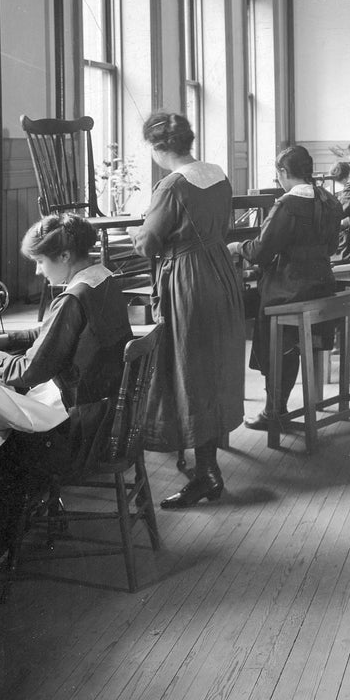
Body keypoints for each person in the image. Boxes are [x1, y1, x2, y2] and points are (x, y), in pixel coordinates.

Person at [0, 213, 134, 545]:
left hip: (81, 435)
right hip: (108, 417)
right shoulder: (102, 280)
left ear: (64, 256)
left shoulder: (73, 298)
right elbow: (46, 333)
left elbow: (26, 372)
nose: (37, 270)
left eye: (40, 261)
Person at [135, 111, 246, 509]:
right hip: (220, 273)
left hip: (189, 281)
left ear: (158, 147)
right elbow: (224, 227)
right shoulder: (217, 174)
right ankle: (206, 465)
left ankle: (206, 475)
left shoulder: (170, 185)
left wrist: (141, 235)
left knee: (189, 370)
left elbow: (149, 243)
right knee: (211, 369)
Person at [230, 145, 343, 429]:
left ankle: (273, 410)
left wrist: (236, 246)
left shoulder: (287, 205)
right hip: (322, 286)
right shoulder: (330, 200)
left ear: (282, 172)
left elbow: (259, 253)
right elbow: (331, 247)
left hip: (290, 289)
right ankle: (279, 404)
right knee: (270, 312)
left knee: (261, 313)